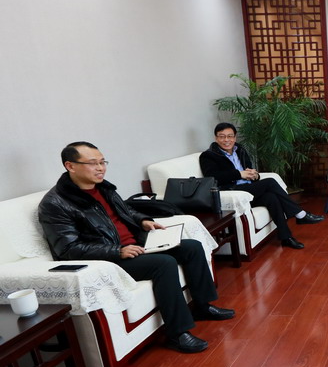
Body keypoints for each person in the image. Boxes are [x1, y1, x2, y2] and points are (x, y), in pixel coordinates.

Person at [38, 142, 235, 354]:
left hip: (137, 245)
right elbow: (68, 249)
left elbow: (126, 211)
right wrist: (117, 251)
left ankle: (203, 306)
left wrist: (143, 220)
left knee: (192, 247)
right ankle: (177, 334)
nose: (101, 168)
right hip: (111, 259)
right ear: (70, 166)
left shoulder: (103, 187)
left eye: (103, 162)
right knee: (164, 263)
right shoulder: (55, 203)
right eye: (93, 163)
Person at [199, 123, 324, 250]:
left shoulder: (240, 150)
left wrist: (255, 175)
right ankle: (300, 214)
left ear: (235, 137)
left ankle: (286, 238)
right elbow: (212, 177)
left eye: (230, 136)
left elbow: (249, 170)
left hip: (249, 189)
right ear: (216, 138)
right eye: (222, 136)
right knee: (270, 182)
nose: (226, 140)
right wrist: (239, 174)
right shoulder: (208, 156)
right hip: (233, 192)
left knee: (271, 198)